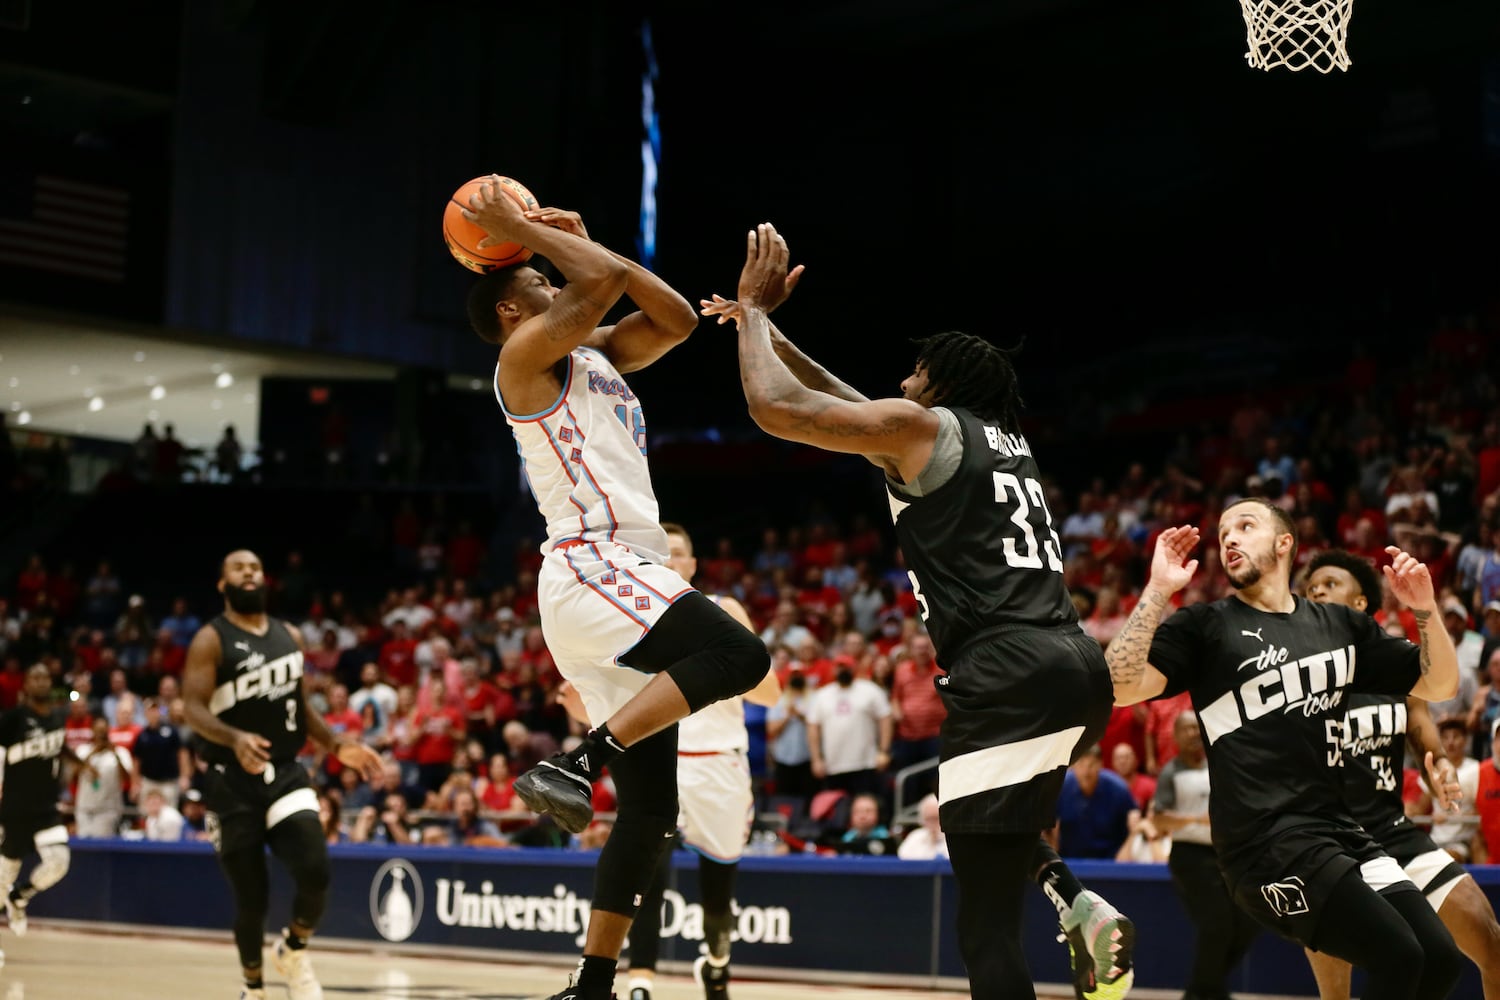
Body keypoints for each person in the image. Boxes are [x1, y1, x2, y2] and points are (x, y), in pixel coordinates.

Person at [713, 222, 1134, 1000]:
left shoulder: (921, 428)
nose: (903, 384)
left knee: (984, 929)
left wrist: (751, 305)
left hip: (1004, 672)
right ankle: (1075, 899)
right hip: (1073, 666)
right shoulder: (1002, 441)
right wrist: (757, 323)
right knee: (1008, 841)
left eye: (915, 372)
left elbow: (775, 407)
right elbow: (845, 401)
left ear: (940, 384)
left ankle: (1065, 901)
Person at [461, 180, 771, 1000]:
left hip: (617, 577)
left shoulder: (594, 349)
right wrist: (533, 233)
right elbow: (596, 284)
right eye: (537, 283)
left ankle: (591, 984)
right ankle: (576, 759)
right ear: (508, 312)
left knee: (650, 813)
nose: (555, 284)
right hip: (594, 565)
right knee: (739, 652)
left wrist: (589, 240)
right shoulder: (521, 359)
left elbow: (671, 316)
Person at [1107, 501, 1464, 1000]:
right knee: (1400, 956)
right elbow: (1119, 686)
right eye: (1224, 531)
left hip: (1340, 832)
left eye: (1245, 526)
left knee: (1441, 961)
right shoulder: (1205, 626)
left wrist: (1425, 609)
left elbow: (1440, 684)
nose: (1228, 538)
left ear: (1284, 543)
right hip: (1264, 843)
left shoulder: (1339, 626)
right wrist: (1158, 588)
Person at [559, 521, 779, 1000]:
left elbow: (771, 692)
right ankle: (640, 981)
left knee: (718, 893)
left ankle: (716, 963)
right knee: (646, 871)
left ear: (693, 566)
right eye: (663, 553)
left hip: (718, 763)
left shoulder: (721, 612)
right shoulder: (630, 623)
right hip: (660, 756)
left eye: (679, 553)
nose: (670, 560)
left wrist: (706, 669)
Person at [1299, 547, 1500, 999]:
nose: (1317, 592)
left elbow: (1421, 728)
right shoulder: (1300, 673)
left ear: (1359, 603)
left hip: (1393, 830)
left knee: (1491, 941)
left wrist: (1441, 766)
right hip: (1329, 840)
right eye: (1311, 590)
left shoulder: (1392, 660)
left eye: (1329, 584)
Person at [183, 549, 383, 1000]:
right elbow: (192, 708)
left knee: (315, 870)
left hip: (286, 772)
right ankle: (253, 988)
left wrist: (335, 744)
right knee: (251, 901)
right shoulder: (210, 640)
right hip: (229, 780)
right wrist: (234, 737)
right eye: (239, 568)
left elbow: (299, 705)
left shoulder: (289, 635)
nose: (249, 573)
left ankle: (292, 949)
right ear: (223, 584)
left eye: (255, 567)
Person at [1151, 709, 1260, 1000]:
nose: (1192, 734)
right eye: (1185, 729)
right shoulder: (1171, 772)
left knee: (1250, 921)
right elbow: (1159, 819)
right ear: (1174, 736)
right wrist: (1196, 820)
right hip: (1190, 857)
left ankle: (1204, 990)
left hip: (1227, 854)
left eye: (1195, 728)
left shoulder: (1220, 767)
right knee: (1217, 924)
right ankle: (1206, 992)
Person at [0, 663, 72, 941]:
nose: (41, 682)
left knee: (59, 863)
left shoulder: (56, 720)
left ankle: (19, 898)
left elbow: (59, 751)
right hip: (14, 812)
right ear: (26, 685)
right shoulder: (14, 719)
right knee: (3, 877)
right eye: (35, 677)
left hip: (45, 810)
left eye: (45, 677)